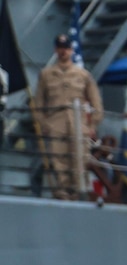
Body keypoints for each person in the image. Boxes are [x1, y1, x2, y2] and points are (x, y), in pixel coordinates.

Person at [32, 33, 102, 201]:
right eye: (60, 48)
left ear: (71, 50)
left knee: (80, 160)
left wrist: (93, 126)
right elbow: (38, 103)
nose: (63, 51)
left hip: (79, 124)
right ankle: (63, 195)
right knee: (59, 161)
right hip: (56, 123)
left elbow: (96, 103)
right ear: (56, 50)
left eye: (66, 48)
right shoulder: (46, 75)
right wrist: (44, 124)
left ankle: (80, 194)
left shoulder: (83, 75)